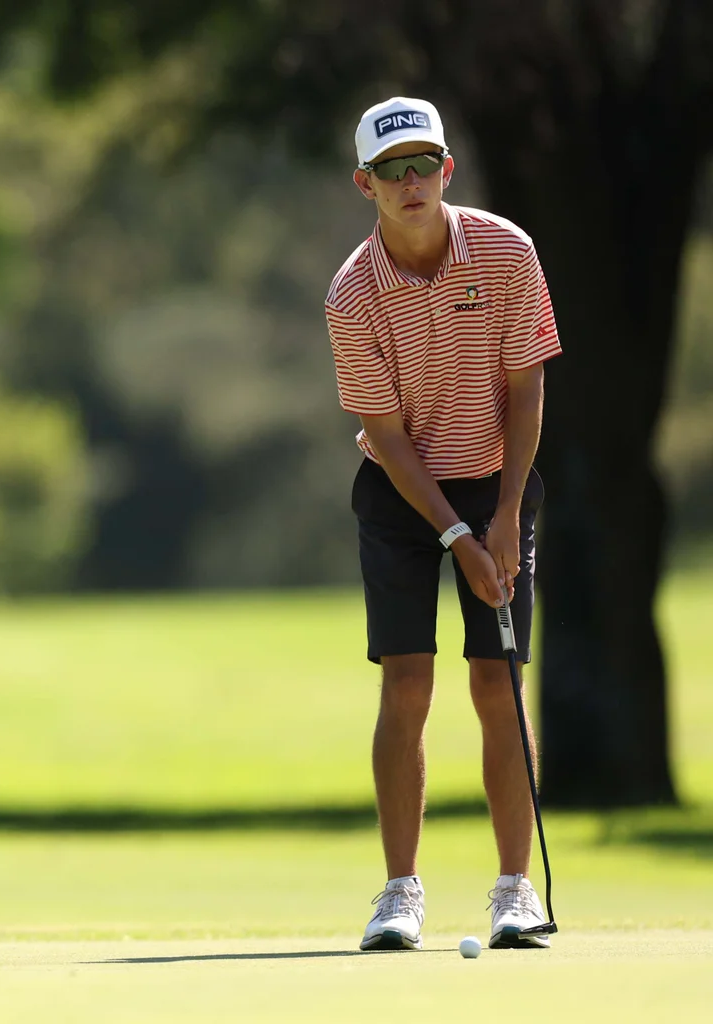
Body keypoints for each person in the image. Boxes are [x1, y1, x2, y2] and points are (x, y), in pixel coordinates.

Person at [324, 97, 562, 951]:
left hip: (498, 480)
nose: (410, 182)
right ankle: (399, 893)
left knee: (498, 683)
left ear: (447, 170)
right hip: (401, 491)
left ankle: (514, 891)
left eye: (423, 164)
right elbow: (384, 436)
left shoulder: (506, 251)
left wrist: (500, 513)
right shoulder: (352, 294)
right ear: (366, 185)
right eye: (391, 171)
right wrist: (455, 538)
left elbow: (527, 384)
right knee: (407, 683)